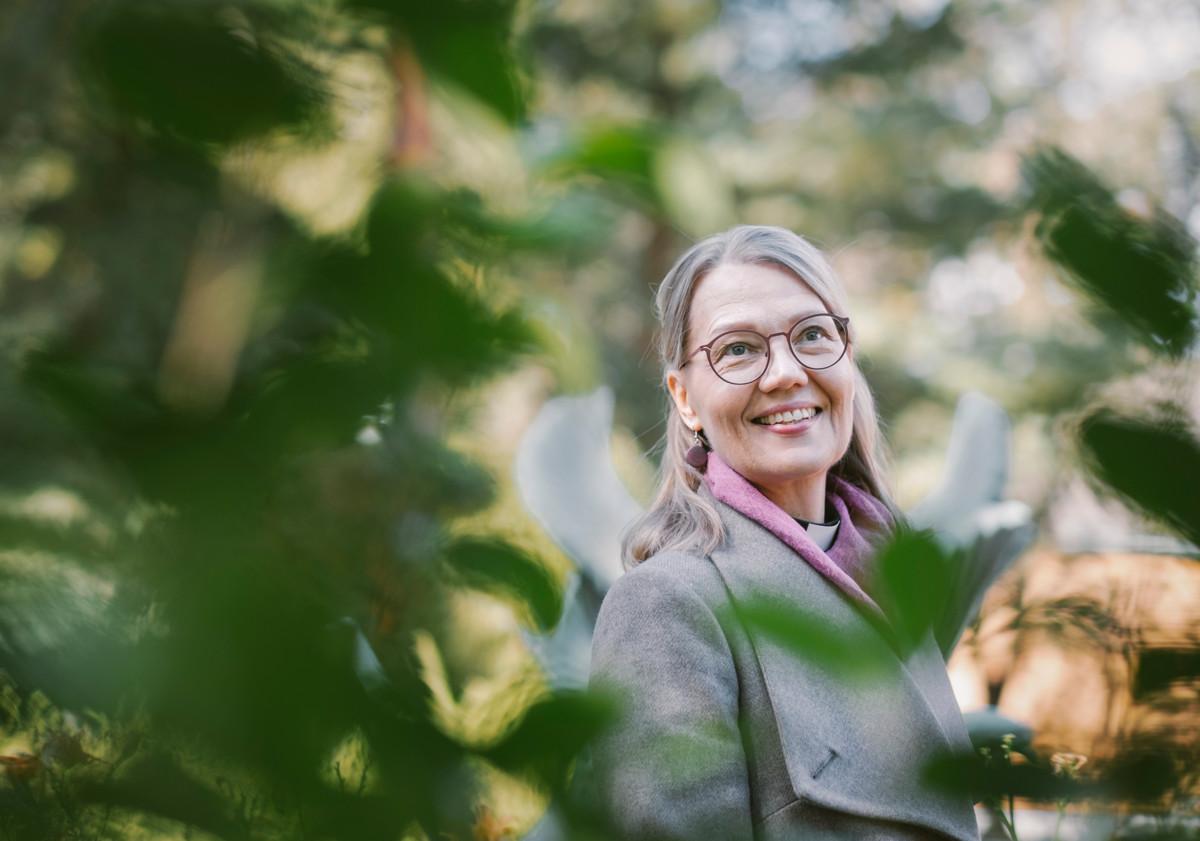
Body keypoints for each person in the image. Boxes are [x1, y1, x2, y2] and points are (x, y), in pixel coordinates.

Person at [587, 225, 980, 841]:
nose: (785, 374)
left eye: (813, 335)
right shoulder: (667, 607)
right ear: (685, 398)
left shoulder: (892, 577)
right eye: (738, 349)